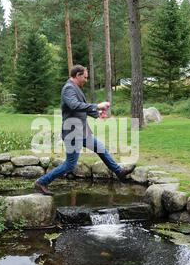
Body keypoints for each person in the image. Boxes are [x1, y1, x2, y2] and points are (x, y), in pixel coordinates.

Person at [34, 64, 134, 195]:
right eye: (85, 77)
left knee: (101, 149)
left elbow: (81, 109)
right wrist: (97, 105)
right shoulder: (68, 88)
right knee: (70, 164)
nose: (86, 80)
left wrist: (98, 113)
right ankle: (41, 182)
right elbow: (74, 106)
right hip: (73, 132)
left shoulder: (76, 87)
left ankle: (118, 172)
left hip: (83, 131)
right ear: (78, 75)